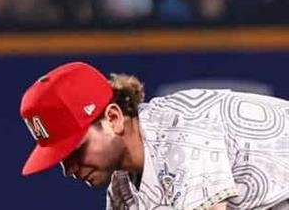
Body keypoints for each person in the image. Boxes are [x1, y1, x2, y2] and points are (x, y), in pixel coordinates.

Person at [19, 61, 289, 209]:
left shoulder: (178, 133)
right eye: (60, 158)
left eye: (75, 149)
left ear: (113, 119)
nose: (68, 169)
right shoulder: (123, 189)